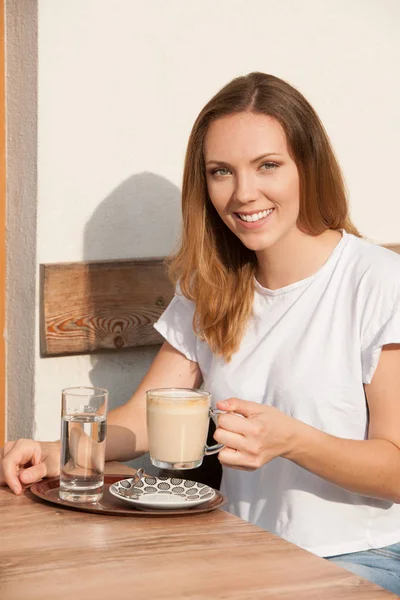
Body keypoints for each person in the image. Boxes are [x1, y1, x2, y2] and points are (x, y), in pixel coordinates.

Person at [1, 72, 400, 594]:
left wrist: (293, 441)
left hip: (359, 558)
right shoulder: (211, 284)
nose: (243, 193)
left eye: (268, 166)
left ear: (309, 165)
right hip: (240, 549)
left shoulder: (376, 281)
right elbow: (148, 415)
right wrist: (64, 452)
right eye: (221, 172)